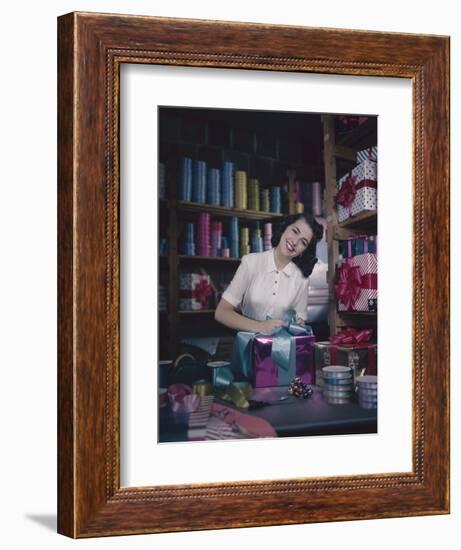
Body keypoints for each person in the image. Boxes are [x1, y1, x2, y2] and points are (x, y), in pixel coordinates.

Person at [215, 213, 324, 334]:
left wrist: (296, 325)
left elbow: (299, 323)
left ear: (305, 250)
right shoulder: (250, 263)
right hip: (247, 346)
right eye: (295, 231)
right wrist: (260, 326)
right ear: (285, 227)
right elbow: (221, 312)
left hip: (280, 349)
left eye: (303, 242)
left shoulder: (301, 280)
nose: (295, 242)